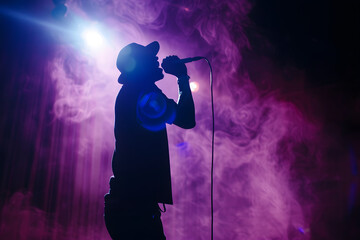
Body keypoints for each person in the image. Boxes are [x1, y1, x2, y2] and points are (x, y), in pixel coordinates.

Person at [104, 41, 196, 240]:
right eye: (149, 57)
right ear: (137, 66)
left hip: (130, 205)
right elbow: (186, 118)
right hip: (133, 208)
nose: (156, 59)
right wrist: (181, 76)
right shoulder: (144, 94)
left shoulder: (137, 91)